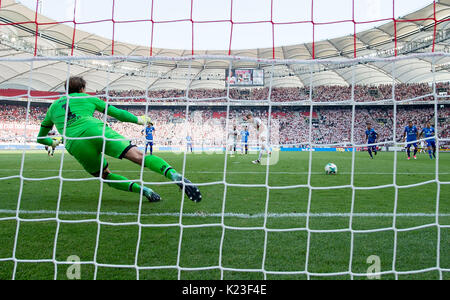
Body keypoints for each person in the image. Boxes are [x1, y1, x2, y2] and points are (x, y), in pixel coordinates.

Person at [36, 76, 201, 203]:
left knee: (104, 175)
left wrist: (54, 142)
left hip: (74, 142)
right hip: (96, 130)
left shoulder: (53, 107)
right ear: (82, 88)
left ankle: (145, 191)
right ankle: (173, 174)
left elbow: (40, 138)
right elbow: (118, 114)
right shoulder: (88, 98)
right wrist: (139, 119)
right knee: (139, 156)